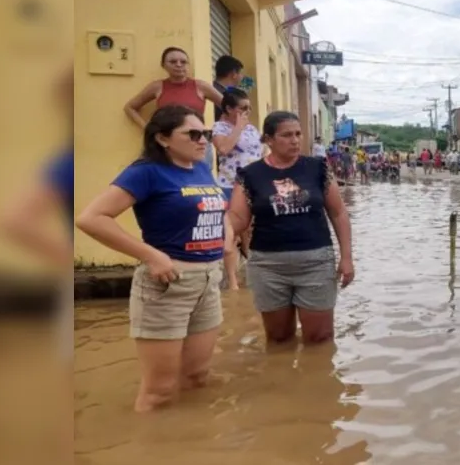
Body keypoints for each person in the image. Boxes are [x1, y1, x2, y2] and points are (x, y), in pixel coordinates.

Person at [76, 105, 226, 412]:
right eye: (193, 134)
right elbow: (91, 218)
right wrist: (151, 255)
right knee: (160, 392)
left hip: (208, 281)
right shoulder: (145, 172)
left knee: (198, 378)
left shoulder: (200, 166)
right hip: (168, 284)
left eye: (206, 134)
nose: (203, 141)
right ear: (162, 138)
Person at [226, 111, 354, 344]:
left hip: (316, 262)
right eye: (286, 135)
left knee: (320, 338)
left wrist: (346, 257)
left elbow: (338, 212)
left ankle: (317, 379)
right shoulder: (250, 175)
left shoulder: (318, 168)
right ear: (268, 140)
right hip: (267, 266)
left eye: (298, 134)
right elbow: (238, 217)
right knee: (278, 338)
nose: (295, 140)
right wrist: (221, 228)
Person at [124, 47, 224, 167]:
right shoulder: (157, 87)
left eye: (183, 62)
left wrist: (221, 130)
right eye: (173, 62)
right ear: (163, 65)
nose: (178, 65)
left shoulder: (201, 86)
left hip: (197, 141)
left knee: (199, 181)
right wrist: (147, 128)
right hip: (166, 143)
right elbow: (130, 107)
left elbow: (229, 107)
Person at [212, 88, 261, 290]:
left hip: (253, 185)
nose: (246, 112)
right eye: (242, 108)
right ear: (229, 109)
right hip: (229, 185)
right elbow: (223, 149)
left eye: (248, 108)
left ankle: (252, 273)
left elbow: (259, 152)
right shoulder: (219, 128)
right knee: (230, 233)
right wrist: (238, 127)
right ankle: (232, 282)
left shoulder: (252, 129)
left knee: (250, 230)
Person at [212, 55, 245, 122]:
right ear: (234, 74)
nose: (242, 77)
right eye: (241, 73)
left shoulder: (211, 88)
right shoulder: (227, 96)